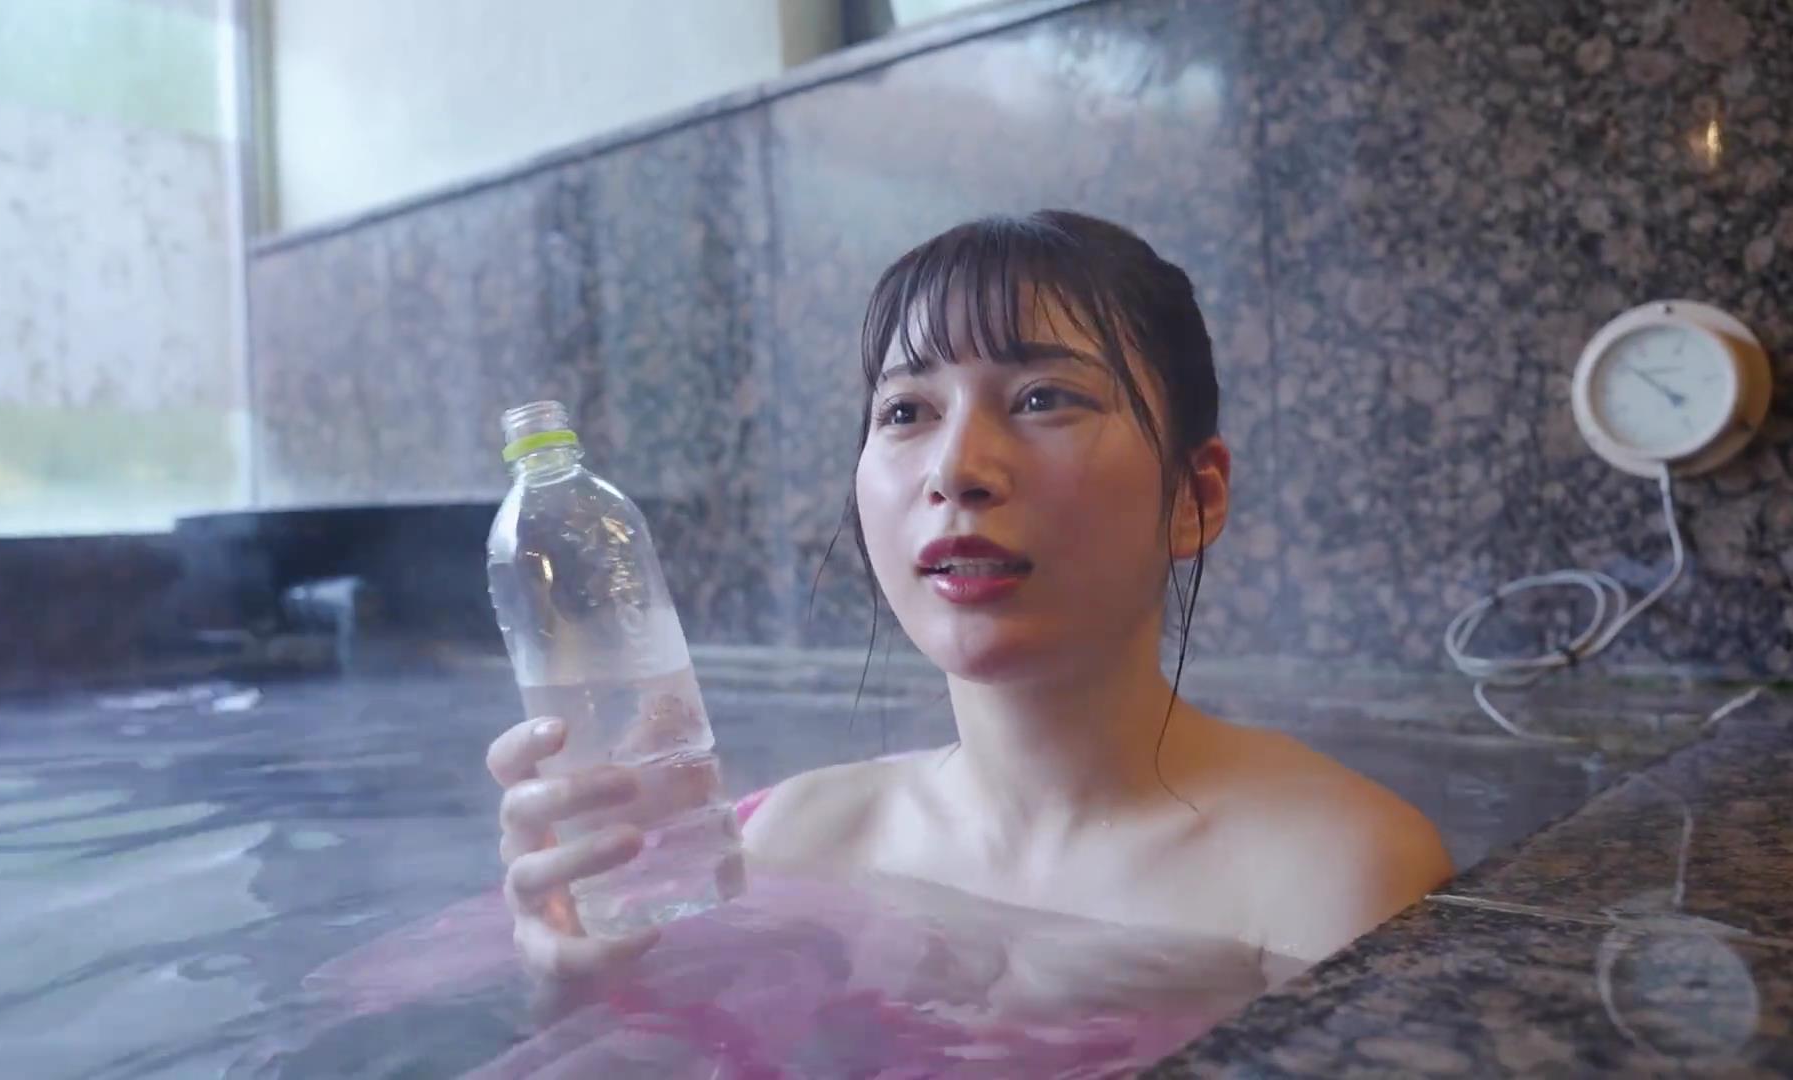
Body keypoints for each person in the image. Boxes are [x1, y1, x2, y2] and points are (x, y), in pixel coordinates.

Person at [487, 209, 1453, 1000]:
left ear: (1194, 498)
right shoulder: (789, 846)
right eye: (906, 411)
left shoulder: (1338, 881)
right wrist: (595, 982)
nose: (956, 469)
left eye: (1043, 399)